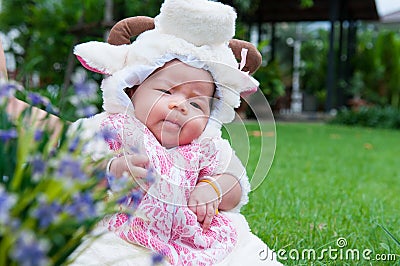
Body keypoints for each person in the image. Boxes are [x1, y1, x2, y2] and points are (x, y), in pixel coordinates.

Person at [70, 0, 281, 265]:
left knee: (246, 254)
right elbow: (69, 173)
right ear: (132, 91)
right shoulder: (113, 128)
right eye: (166, 91)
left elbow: (236, 183)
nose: (179, 105)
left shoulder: (206, 147)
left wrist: (213, 188)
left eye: (195, 103)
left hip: (195, 240)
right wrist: (111, 171)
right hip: (122, 235)